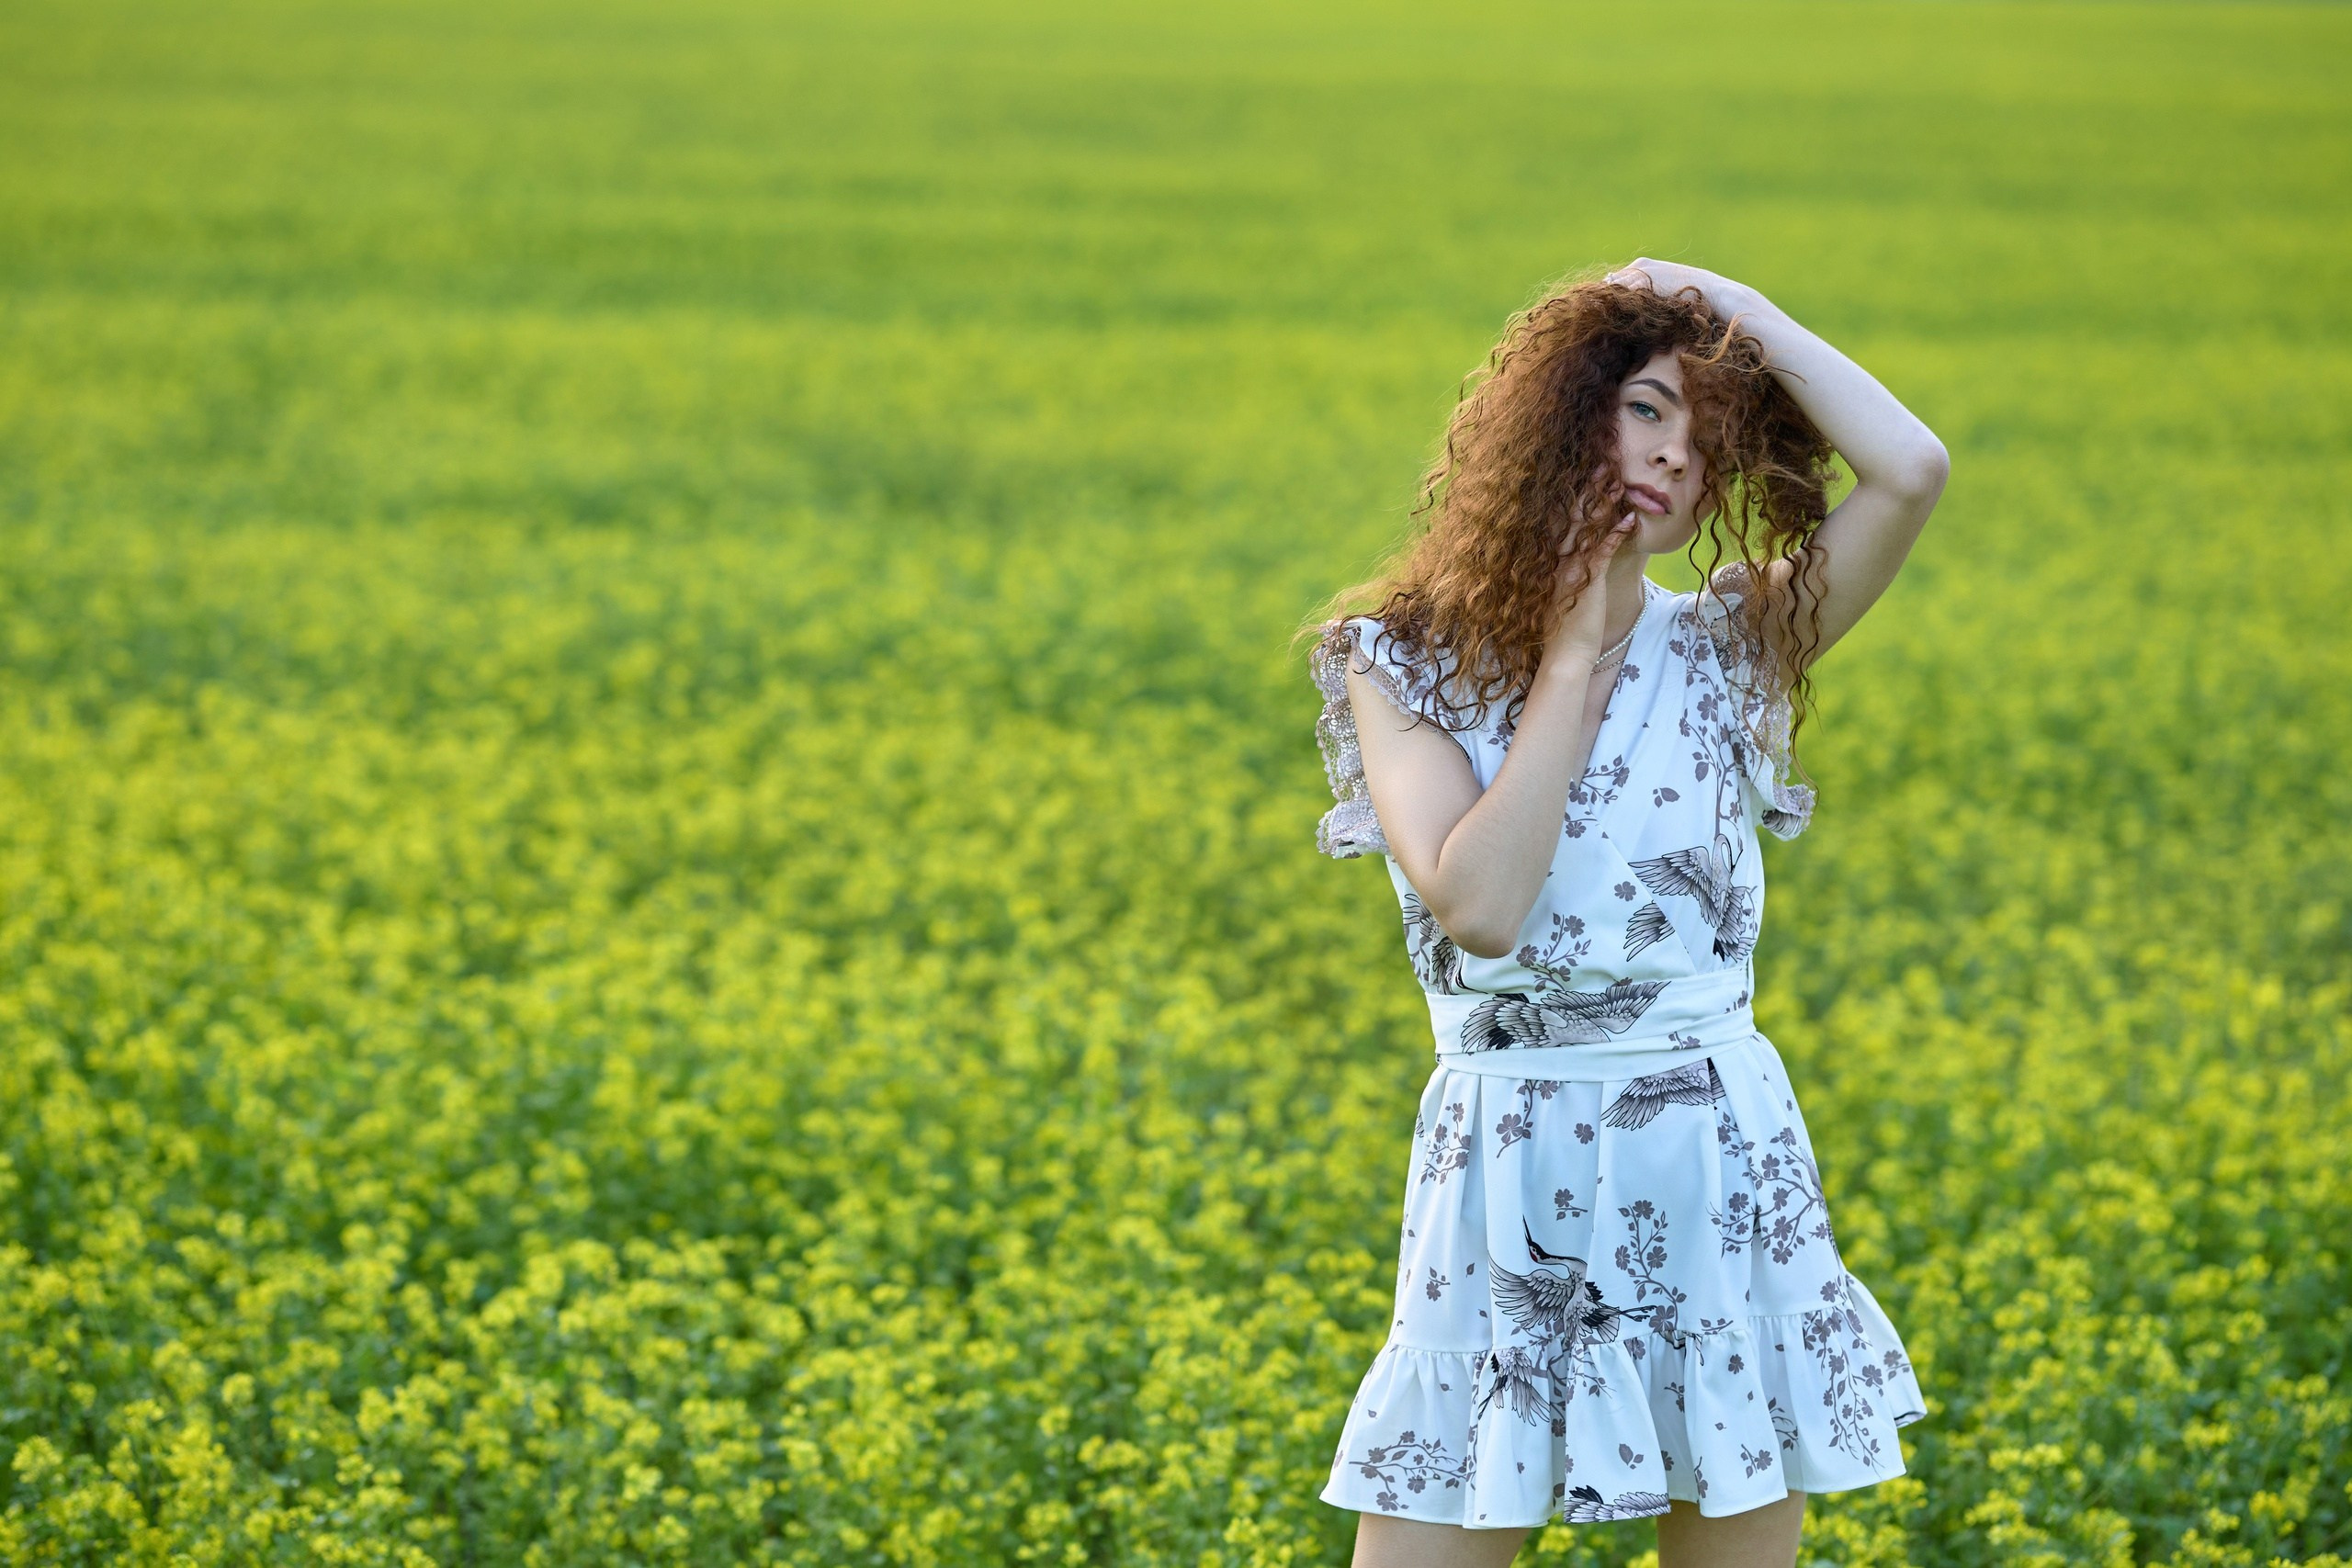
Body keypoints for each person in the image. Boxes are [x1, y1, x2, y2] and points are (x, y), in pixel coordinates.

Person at [1306, 259, 1949, 1568]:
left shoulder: (1732, 646)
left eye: (1704, 443)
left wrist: (1730, 310)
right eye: (1646, 406)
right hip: (1505, 1162)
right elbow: (1482, 906)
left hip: (1709, 1159)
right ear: (1561, 413)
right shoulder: (1396, 658)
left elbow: (1912, 469)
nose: (1670, 455)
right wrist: (1564, 664)